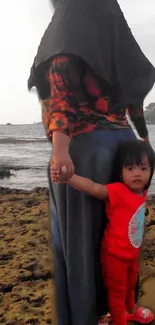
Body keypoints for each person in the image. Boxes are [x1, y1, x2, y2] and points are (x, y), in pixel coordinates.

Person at [28, 1, 155, 324]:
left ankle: (86, 316)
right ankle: (117, 310)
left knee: (81, 245)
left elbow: (60, 98)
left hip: (86, 148)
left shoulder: (68, 27)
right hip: (124, 145)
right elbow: (133, 98)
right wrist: (143, 140)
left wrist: (60, 148)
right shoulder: (113, 27)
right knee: (118, 235)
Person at [51, 140, 155, 325]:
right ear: (120, 172)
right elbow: (92, 187)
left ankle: (130, 310)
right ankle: (118, 320)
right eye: (130, 168)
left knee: (131, 285)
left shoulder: (143, 191)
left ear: (151, 171)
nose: (137, 173)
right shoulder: (118, 191)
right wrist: (69, 177)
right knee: (116, 293)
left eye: (143, 168)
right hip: (114, 256)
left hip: (132, 254)